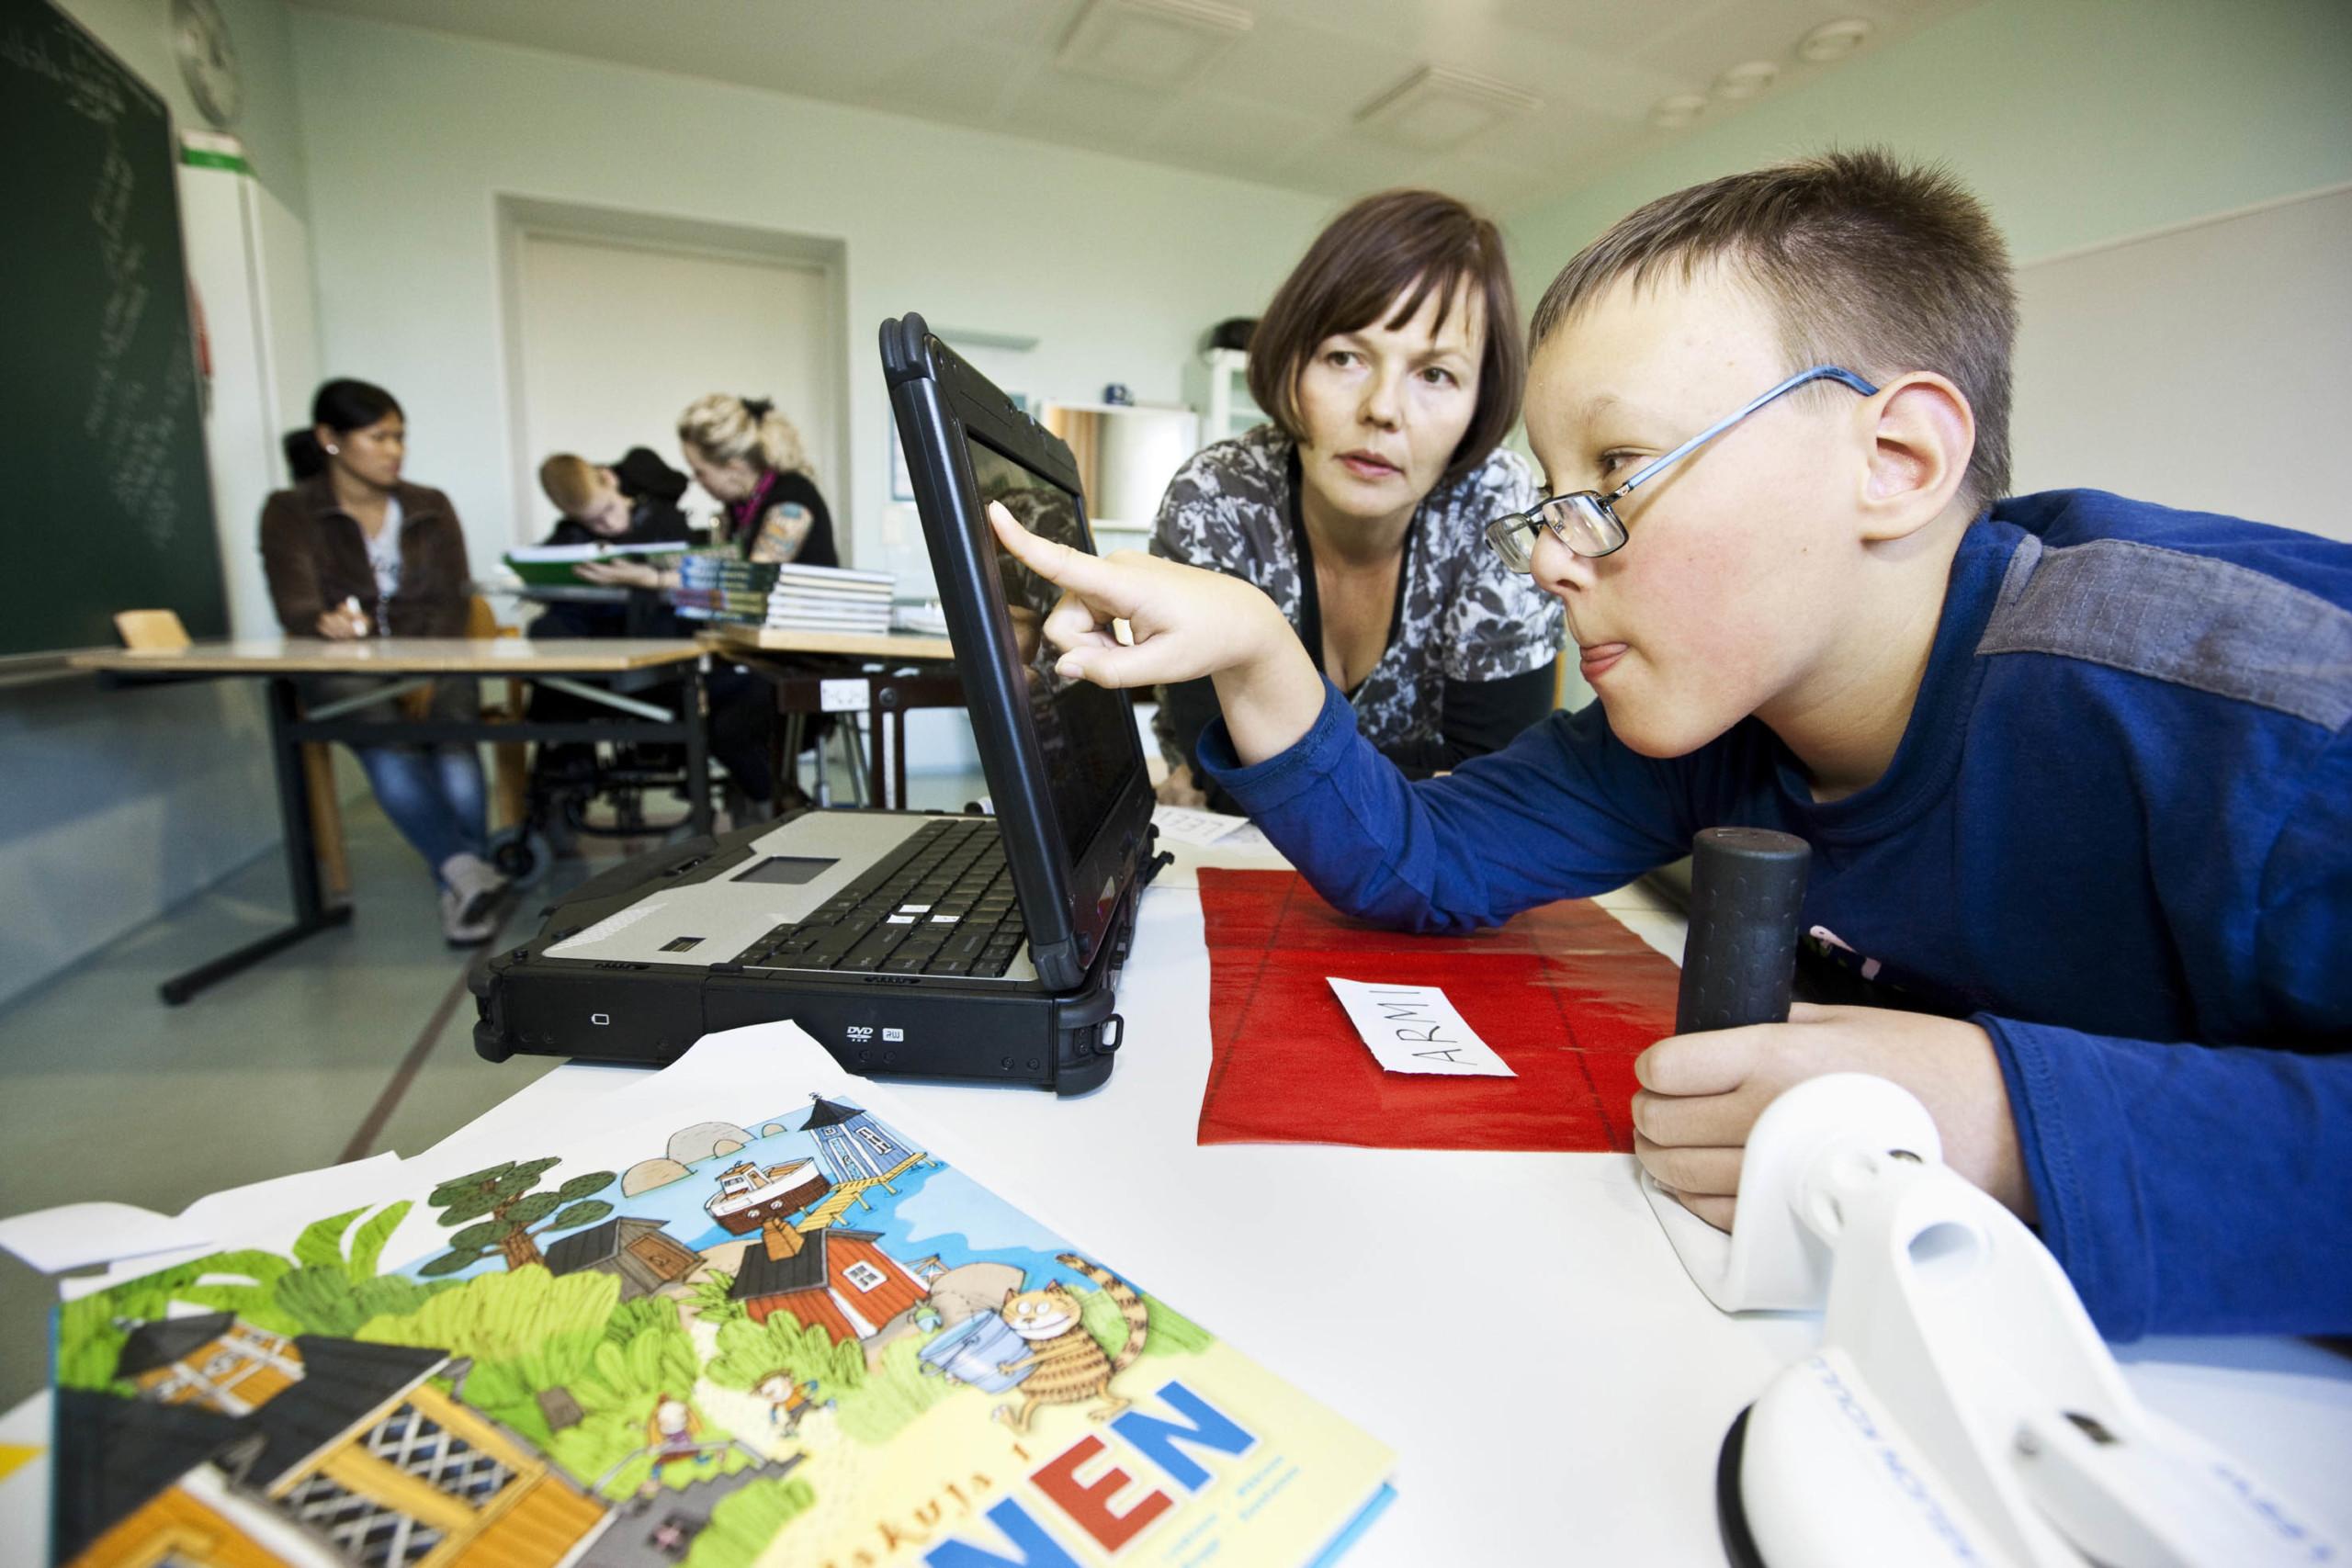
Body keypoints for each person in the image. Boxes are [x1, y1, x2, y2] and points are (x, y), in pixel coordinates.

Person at [988, 151, 2351, 1341]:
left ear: (1897, 459)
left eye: (1617, 481)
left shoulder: (2251, 711)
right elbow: (1424, 855)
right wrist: (1261, 646)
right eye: (1551, 496)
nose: (1543, 558)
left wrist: (2001, 1114)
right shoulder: (1724, 712)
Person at [1150, 189, 1562, 813]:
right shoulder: (1217, 499)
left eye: (1435, 374)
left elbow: (1499, 784)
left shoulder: (1499, 511)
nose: (1382, 408)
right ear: (1292, 362)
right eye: (1345, 357)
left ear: (1482, 399)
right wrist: (1429, 774)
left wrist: (1264, 773)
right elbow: (1221, 769)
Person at [260, 378, 506, 944]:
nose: (395, 449)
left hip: (435, 655)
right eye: (379, 437)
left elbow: (453, 600)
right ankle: (466, 872)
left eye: (400, 436)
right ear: (330, 438)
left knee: (453, 741)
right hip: (345, 666)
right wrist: (322, 621)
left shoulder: (429, 506)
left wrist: (429, 667)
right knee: (387, 742)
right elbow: (295, 604)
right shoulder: (290, 510)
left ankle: (459, 886)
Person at [530, 447, 695, 640]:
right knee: (547, 629)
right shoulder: (571, 535)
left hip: (653, 623)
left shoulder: (664, 519)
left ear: (610, 479)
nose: (610, 524)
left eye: (609, 508)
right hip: (596, 628)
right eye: (593, 521)